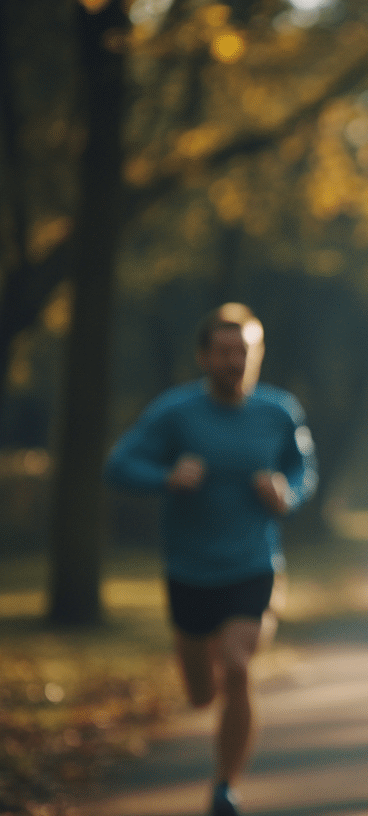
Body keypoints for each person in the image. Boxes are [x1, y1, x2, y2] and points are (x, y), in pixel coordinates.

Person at [106, 303, 317, 816]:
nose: (234, 361)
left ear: (257, 355)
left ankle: (226, 785)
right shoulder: (174, 412)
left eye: (244, 351)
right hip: (189, 569)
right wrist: (166, 477)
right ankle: (211, 697)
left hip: (253, 563)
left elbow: (304, 466)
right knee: (202, 693)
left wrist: (286, 493)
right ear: (204, 357)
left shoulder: (279, 410)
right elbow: (119, 465)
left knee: (240, 667)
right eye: (224, 352)